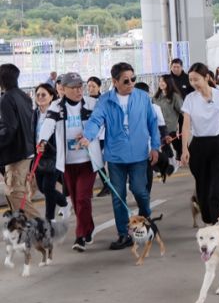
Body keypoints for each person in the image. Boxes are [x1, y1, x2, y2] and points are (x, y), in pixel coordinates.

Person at [80, 62, 160, 250]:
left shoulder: (142, 97)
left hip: (140, 154)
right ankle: (124, 234)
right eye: (126, 81)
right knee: (118, 197)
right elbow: (96, 120)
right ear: (115, 82)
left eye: (133, 79)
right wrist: (87, 136)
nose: (131, 83)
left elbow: (152, 122)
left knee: (140, 191)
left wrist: (155, 147)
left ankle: (146, 221)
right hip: (115, 157)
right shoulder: (105, 100)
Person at [39, 72, 103, 251]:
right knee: (76, 201)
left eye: (80, 87)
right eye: (73, 87)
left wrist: (90, 136)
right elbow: (48, 124)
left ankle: (80, 235)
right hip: (67, 162)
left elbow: (100, 124)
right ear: (63, 89)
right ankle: (88, 227)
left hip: (88, 161)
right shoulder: (56, 106)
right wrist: (42, 141)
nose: (78, 90)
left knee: (83, 198)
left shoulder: (91, 104)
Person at [180, 63, 219, 225]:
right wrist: (184, 149)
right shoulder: (190, 99)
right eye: (190, 80)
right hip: (198, 146)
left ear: (207, 77)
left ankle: (218, 221)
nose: (193, 83)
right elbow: (186, 125)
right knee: (202, 187)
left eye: (196, 79)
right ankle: (209, 221)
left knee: (217, 185)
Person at [0, 64, 36, 214]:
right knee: (19, 197)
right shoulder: (23, 96)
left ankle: (42, 230)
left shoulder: (6, 98)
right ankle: (28, 233)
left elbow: (10, 128)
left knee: (16, 195)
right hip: (27, 150)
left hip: (16, 154)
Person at [32, 83, 69, 221]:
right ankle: (64, 202)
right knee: (42, 188)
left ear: (51, 97)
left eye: (43, 95)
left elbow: (59, 137)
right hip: (39, 156)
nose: (40, 97)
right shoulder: (35, 113)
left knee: (48, 188)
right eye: (38, 95)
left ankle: (50, 219)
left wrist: (47, 147)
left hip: (54, 155)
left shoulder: (56, 114)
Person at [153, 75, 183, 163]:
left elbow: (183, 110)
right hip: (159, 126)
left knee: (176, 145)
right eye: (160, 81)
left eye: (163, 81)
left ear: (168, 83)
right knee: (165, 145)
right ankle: (169, 163)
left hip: (170, 126)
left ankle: (180, 156)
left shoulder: (175, 96)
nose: (161, 83)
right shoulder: (156, 96)